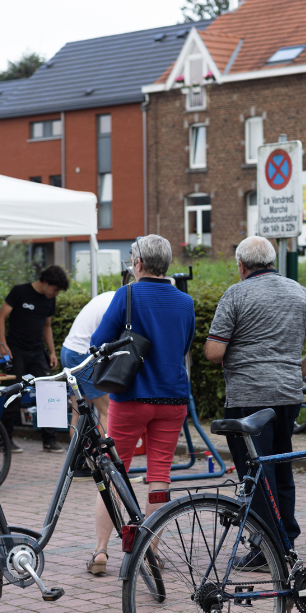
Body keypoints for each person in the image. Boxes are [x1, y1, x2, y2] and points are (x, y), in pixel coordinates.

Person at [206, 236, 306, 569]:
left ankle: (268, 548)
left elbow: (214, 352)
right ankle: (285, 536)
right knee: (280, 467)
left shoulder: (235, 294)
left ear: (241, 265)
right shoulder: (298, 291)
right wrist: (296, 371)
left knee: (255, 472)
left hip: (249, 398)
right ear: (271, 260)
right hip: (287, 397)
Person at [87, 235, 194, 576]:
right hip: (173, 397)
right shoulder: (186, 302)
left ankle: (101, 552)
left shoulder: (127, 294)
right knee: (160, 475)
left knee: (114, 472)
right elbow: (184, 346)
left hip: (131, 395)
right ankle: (151, 552)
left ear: (138, 264)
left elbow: (98, 342)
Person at [0, 265, 70, 454]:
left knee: (50, 391)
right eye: (55, 289)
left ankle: (49, 440)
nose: (56, 294)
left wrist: (52, 352)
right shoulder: (19, 292)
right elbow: (0, 318)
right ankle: (6, 441)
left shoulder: (49, 299)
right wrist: (3, 345)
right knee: (14, 394)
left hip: (37, 351)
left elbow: (47, 327)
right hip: (16, 351)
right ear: (45, 282)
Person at [60, 278, 122, 474]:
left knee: (78, 411)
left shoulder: (110, 296)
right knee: (108, 409)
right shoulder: (117, 305)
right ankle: (107, 465)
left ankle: (78, 465)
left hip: (68, 350)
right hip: (81, 354)